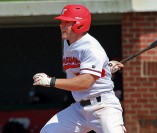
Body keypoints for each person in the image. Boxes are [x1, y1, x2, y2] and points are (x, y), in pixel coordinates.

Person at [33, 4, 125, 133]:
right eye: (62, 22)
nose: (61, 25)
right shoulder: (69, 42)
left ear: (79, 24)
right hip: (79, 109)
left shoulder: (91, 48)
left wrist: (51, 81)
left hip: (103, 107)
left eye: (66, 22)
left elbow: (85, 82)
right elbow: (79, 71)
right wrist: (104, 69)